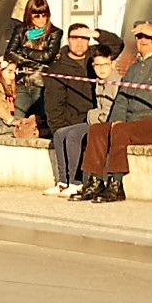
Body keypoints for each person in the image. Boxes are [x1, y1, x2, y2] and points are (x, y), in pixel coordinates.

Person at [75, 21, 152, 202]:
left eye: (148, 36)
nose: (143, 40)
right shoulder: (134, 68)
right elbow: (121, 99)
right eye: (139, 36)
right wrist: (115, 120)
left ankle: (116, 183)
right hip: (133, 124)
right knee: (98, 130)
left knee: (121, 130)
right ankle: (95, 181)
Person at [41, 24, 99, 194]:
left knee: (74, 136)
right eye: (75, 38)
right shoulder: (58, 68)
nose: (80, 43)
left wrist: (96, 34)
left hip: (95, 118)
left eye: (84, 38)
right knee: (62, 134)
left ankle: (76, 181)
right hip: (70, 120)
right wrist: (58, 128)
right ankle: (63, 181)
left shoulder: (95, 59)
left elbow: (117, 45)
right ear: (68, 40)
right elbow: (53, 105)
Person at [5, 0, 61, 122]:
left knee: (41, 123)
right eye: (37, 15)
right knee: (18, 122)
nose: (41, 19)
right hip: (22, 83)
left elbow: (47, 56)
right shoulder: (20, 31)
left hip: (41, 85)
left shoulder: (54, 32)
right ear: (29, 15)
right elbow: (10, 53)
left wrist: (23, 51)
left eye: (44, 14)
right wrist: (35, 62)